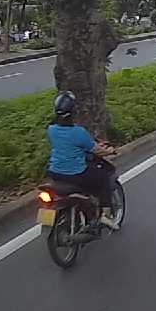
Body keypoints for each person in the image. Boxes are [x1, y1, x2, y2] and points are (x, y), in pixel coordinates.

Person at [46, 91, 118, 230]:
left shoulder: (51, 129)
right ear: (73, 112)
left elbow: (67, 144)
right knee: (103, 178)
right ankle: (106, 215)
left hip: (55, 172)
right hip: (75, 173)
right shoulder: (79, 132)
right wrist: (109, 150)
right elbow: (97, 150)